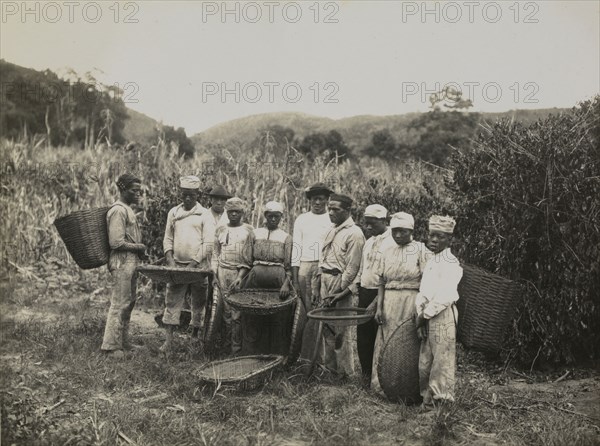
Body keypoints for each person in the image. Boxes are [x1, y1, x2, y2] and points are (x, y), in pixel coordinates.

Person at [371, 212, 431, 393]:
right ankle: (384, 385)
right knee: (387, 340)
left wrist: (420, 307)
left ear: (411, 230)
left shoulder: (421, 250)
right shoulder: (386, 250)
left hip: (411, 300)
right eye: (395, 231)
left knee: (409, 341)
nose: (397, 235)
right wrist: (379, 307)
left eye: (402, 232)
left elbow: (427, 282)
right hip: (390, 301)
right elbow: (381, 281)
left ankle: (409, 387)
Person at [415, 215, 463, 409]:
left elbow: (446, 295)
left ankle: (441, 399)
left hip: (442, 315)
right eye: (432, 235)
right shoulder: (432, 261)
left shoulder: (451, 263)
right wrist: (421, 310)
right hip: (428, 313)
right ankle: (426, 398)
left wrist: (424, 315)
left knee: (441, 360)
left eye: (440, 237)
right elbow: (424, 290)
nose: (434, 240)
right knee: (426, 359)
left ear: (449, 239)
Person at [235, 201, 294, 355]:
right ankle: (251, 353)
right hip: (255, 279)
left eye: (277, 216)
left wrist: (286, 284)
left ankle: (275, 355)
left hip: (278, 281)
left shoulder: (286, 237)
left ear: (281, 217)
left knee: (277, 317)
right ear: (265, 216)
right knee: (252, 314)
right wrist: (240, 277)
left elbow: (289, 265)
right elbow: (246, 259)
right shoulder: (255, 233)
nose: (273, 219)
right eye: (270, 216)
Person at [101, 173, 148, 359]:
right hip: (121, 261)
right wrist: (139, 247)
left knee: (129, 302)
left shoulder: (127, 209)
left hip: (131, 260)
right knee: (119, 302)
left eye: (139, 191)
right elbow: (116, 243)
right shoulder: (118, 210)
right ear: (123, 190)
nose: (138, 194)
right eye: (134, 190)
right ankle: (111, 346)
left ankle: (123, 341)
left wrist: (139, 252)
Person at [319, 194, 365, 377]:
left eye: (336, 209)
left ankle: (345, 373)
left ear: (347, 211)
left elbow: (352, 267)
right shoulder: (331, 230)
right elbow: (323, 257)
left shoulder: (355, 233)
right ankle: (330, 370)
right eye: (329, 208)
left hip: (340, 283)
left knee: (341, 330)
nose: (331, 212)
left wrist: (339, 291)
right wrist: (319, 282)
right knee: (327, 327)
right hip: (326, 278)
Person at [160, 176, 207, 354]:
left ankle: (195, 337)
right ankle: (169, 340)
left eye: (191, 195)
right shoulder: (174, 212)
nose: (187, 199)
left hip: (199, 267)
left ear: (198, 194)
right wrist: (170, 260)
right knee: (172, 299)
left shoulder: (204, 214)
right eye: (185, 195)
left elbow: (207, 242)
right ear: (181, 193)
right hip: (177, 265)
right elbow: (168, 238)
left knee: (199, 301)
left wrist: (194, 263)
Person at [210, 197, 253, 355]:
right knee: (225, 312)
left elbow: (249, 256)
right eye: (231, 212)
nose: (234, 214)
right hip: (222, 272)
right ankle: (225, 347)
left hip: (239, 274)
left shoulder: (248, 230)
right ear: (227, 213)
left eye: (237, 212)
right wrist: (214, 274)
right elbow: (215, 254)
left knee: (238, 314)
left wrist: (241, 276)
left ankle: (237, 350)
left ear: (242, 213)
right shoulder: (220, 230)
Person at [189, 184, 232, 337]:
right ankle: (196, 329)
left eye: (222, 200)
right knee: (201, 297)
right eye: (216, 199)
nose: (219, 202)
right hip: (203, 258)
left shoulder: (229, 216)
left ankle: (217, 333)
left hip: (223, 261)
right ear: (211, 200)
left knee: (220, 297)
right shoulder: (203, 215)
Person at [292, 182, 334, 314]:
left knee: (324, 305)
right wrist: (295, 279)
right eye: (314, 199)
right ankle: (307, 334)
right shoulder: (301, 219)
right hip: (305, 268)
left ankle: (322, 334)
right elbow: (296, 248)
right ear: (309, 200)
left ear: (327, 200)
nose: (317, 202)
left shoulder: (332, 219)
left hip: (325, 267)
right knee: (306, 307)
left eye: (321, 199)